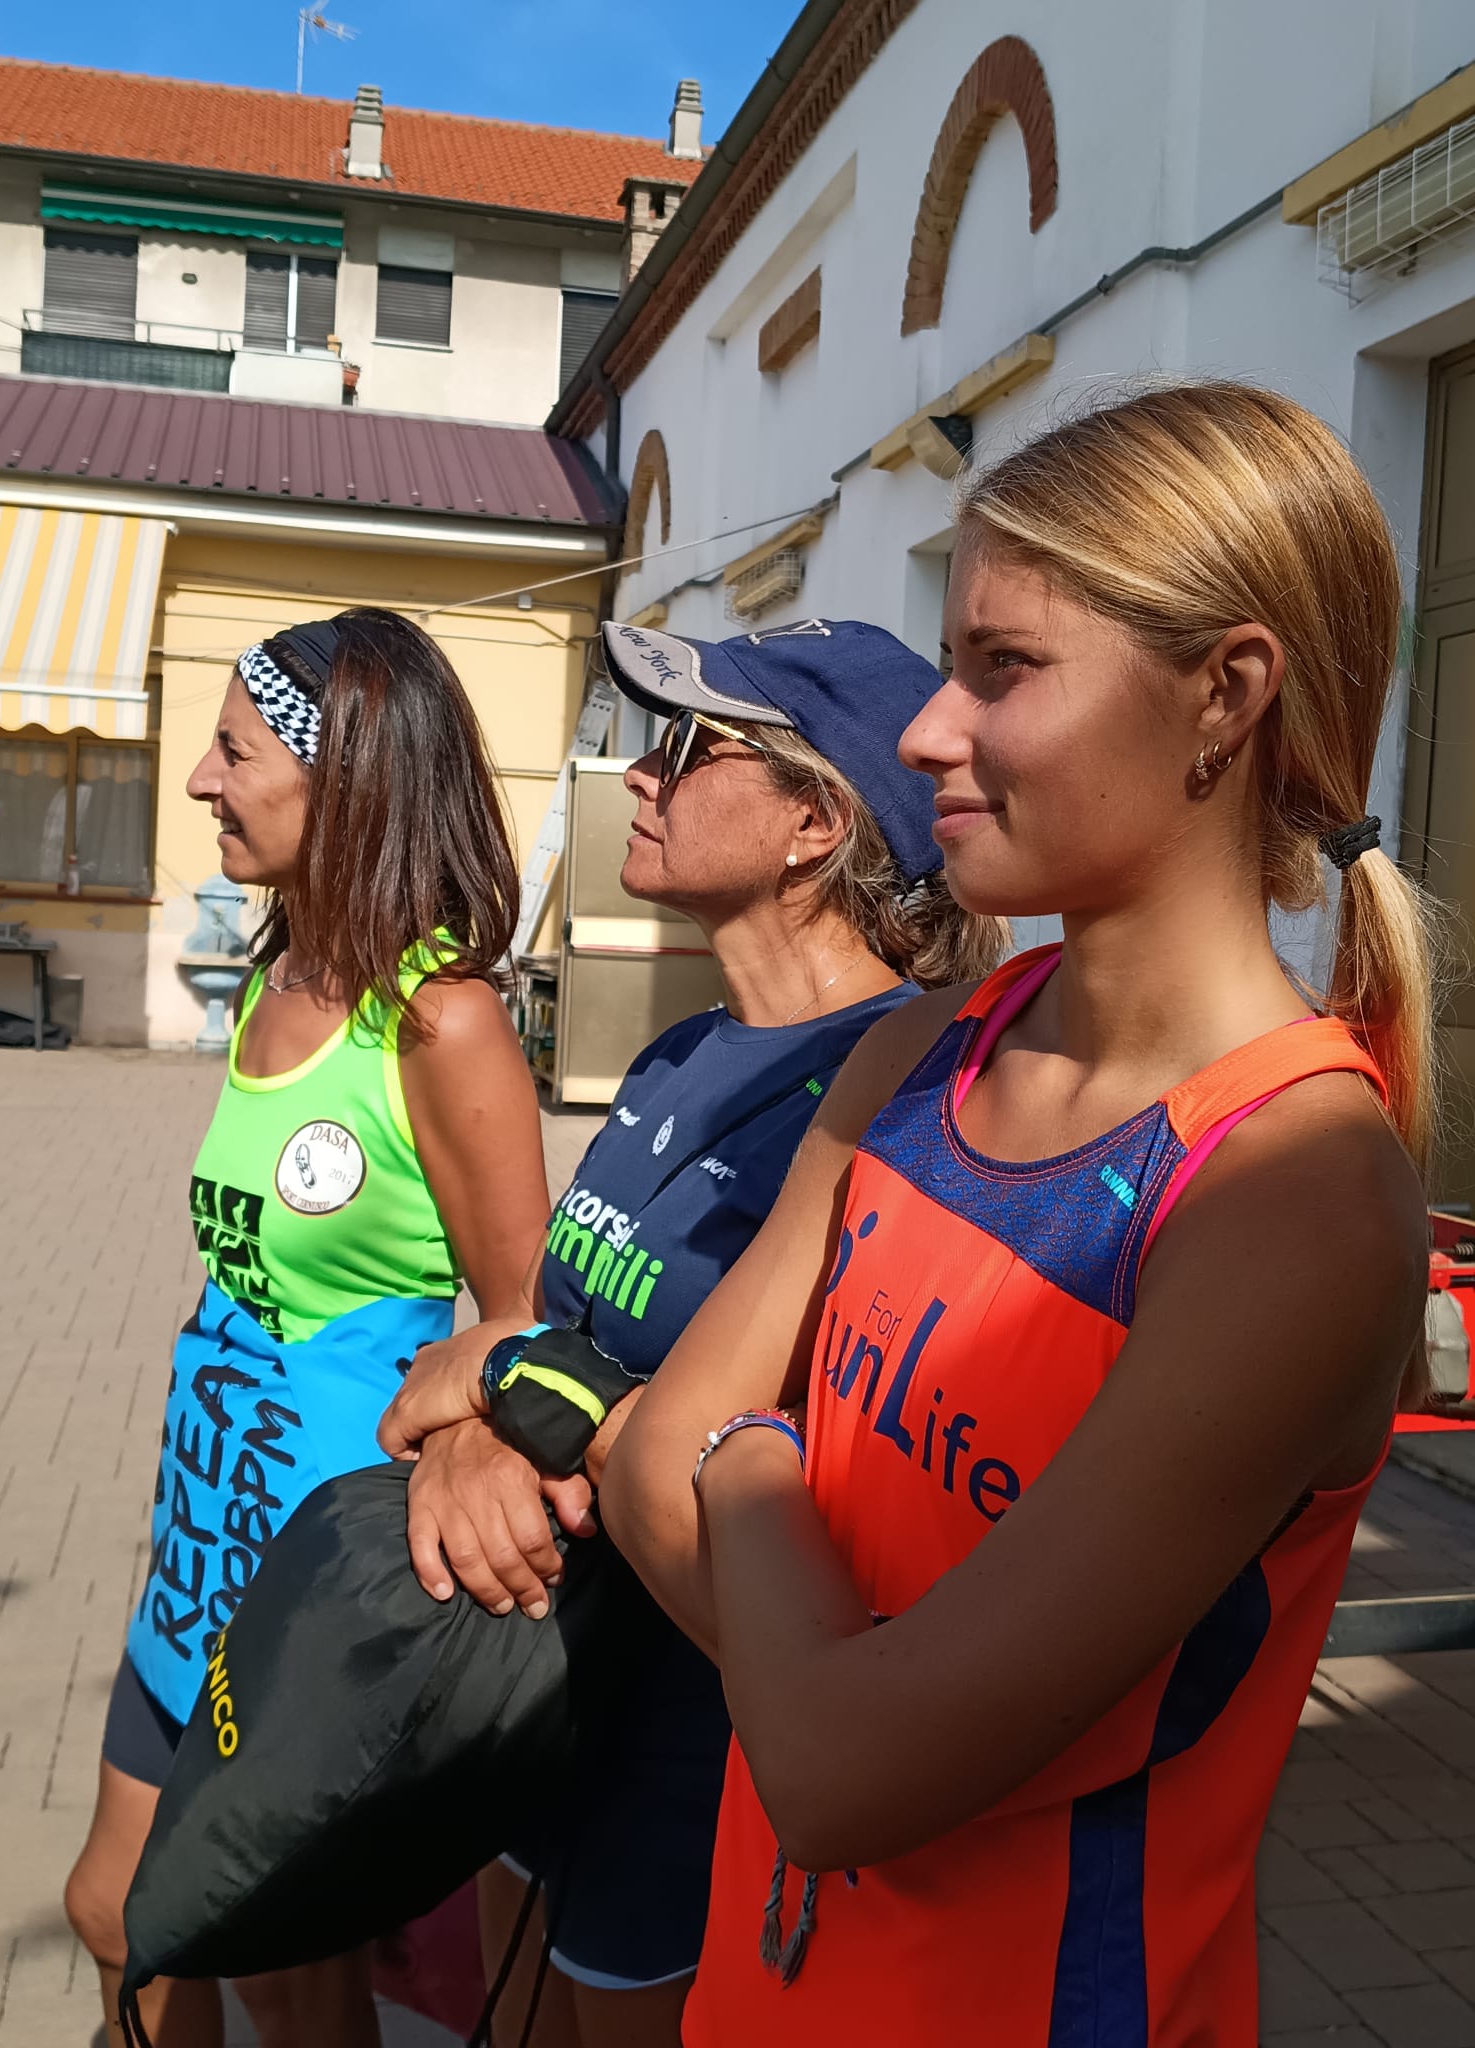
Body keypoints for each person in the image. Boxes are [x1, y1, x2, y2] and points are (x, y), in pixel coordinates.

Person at [603, 383, 1434, 2047]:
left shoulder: (1295, 1192)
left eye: (1002, 667)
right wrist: (825, 1663)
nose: (926, 734)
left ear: (1225, 694)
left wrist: (744, 1459)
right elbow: (637, 1478)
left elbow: (837, 1772)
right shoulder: (923, 1045)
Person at [377, 616, 1006, 2046]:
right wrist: (481, 1431)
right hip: (544, 1685)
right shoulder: (676, 1052)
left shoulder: (902, 1107)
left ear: (814, 824)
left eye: (688, 744)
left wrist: (506, 1381)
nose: (639, 775)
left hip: (698, 1744)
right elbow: (546, 1333)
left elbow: (760, 1453)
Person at [65, 608, 553, 2048]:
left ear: (342, 783)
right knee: (115, 1912)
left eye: (233, 751)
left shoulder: (440, 1022)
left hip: (317, 1591)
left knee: (286, 1976)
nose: (201, 781)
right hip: (199, 1543)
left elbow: (522, 1320)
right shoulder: (278, 979)